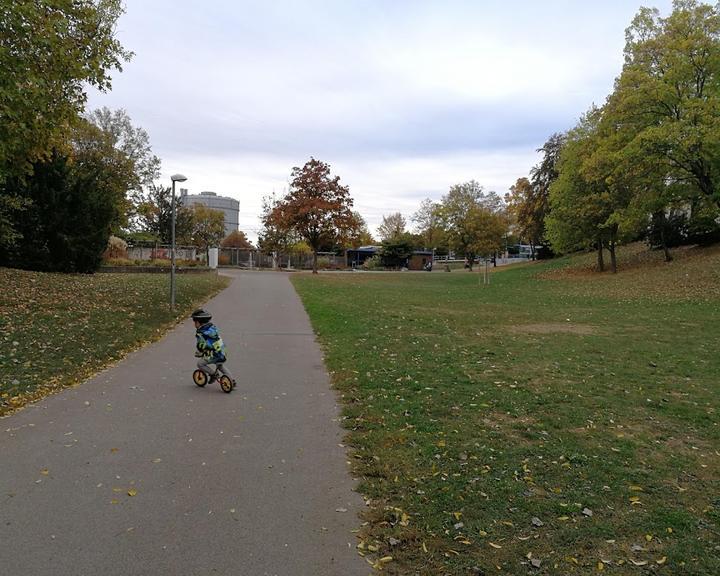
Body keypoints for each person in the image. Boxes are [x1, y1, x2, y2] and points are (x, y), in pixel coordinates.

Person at [191, 308, 235, 387]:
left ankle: (213, 374)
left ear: (198, 322)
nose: (194, 324)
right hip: (222, 351)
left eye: (195, 322)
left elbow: (202, 345)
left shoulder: (201, 334)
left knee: (200, 364)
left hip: (214, 354)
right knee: (220, 365)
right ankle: (231, 380)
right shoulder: (212, 328)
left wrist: (200, 351)